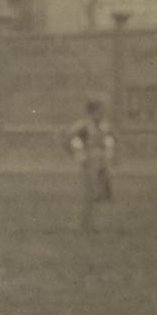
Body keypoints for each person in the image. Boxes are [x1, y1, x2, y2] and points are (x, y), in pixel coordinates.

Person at [66, 98, 117, 232]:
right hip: (89, 160)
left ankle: (96, 224)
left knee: (102, 192)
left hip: (102, 161)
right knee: (90, 192)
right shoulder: (82, 126)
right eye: (98, 111)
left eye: (102, 111)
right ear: (91, 112)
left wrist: (109, 155)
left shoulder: (104, 126)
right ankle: (86, 224)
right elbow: (71, 140)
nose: (101, 114)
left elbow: (110, 140)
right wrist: (79, 154)